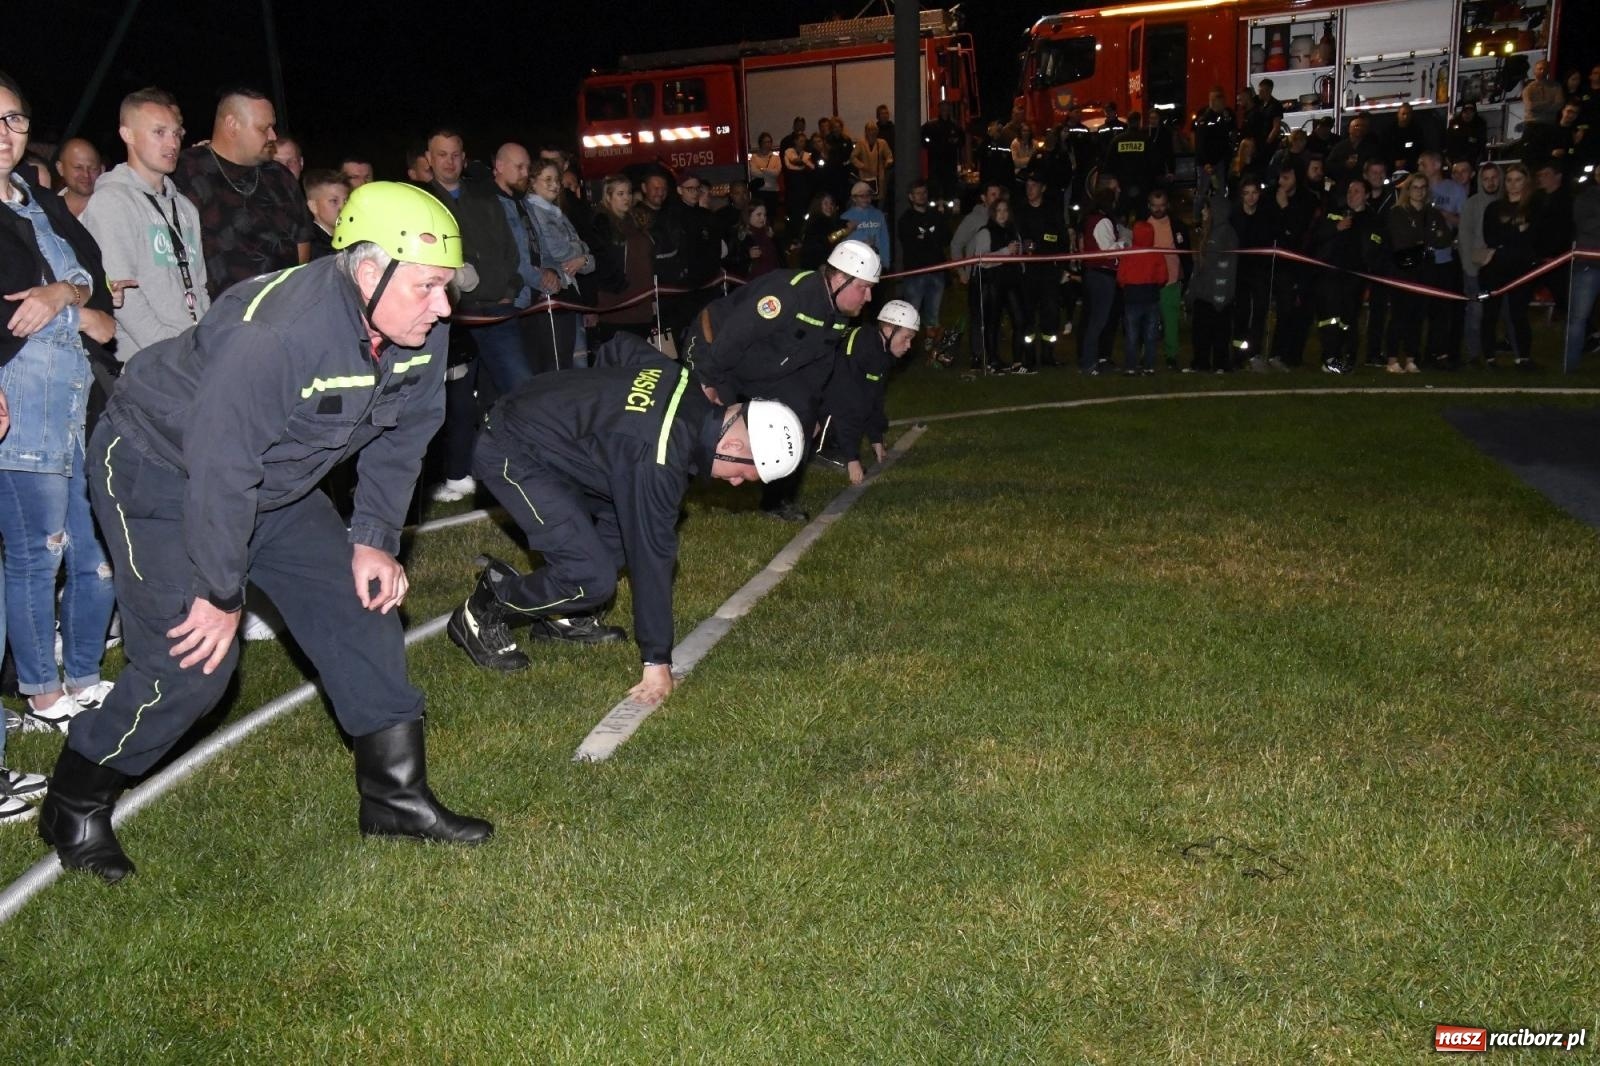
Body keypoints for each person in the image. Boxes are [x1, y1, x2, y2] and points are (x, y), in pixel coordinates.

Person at [41, 182, 494, 884]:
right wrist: (219, 593)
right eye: (430, 287)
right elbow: (223, 468)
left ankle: (395, 799)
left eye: (446, 290)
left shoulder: (417, 329)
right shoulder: (278, 332)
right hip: (158, 470)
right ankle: (74, 800)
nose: (443, 307)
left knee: (361, 610)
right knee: (192, 664)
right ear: (369, 271)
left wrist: (373, 534)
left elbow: (407, 435)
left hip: (275, 486)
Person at [449, 333, 803, 703]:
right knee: (592, 577)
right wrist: (657, 661)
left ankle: (564, 617)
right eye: (742, 474)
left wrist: (602, 413)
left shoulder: (682, 380)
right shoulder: (659, 461)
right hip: (511, 447)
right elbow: (652, 559)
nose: (732, 483)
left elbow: (618, 346)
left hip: (538, 419)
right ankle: (485, 607)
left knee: (621, 530)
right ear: (731, 445)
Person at [0, 72, 120, 740]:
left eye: (15, 120)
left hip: (75, 390)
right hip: (21, 394)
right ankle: (41, 694)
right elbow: (14, 316)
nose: (6, 136)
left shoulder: (37, 202)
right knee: (35, 551)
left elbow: (88, 276)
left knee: (93, 544)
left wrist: (62, 297)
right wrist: (74, 308)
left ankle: (81, 674)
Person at [682, 240, 879, 522]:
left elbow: (818, 367)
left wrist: (810, 415)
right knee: (705, 425)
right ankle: (671, 489)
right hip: (717, 347)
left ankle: (775, 501)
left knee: (801, 420)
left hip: (765, 365)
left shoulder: (838, 316)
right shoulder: (789, 294)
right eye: (864, 287)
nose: (869, 297)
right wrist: (707, 379)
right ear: (839, 279)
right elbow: (737, 334)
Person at [80, 86, 212, 361]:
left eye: (176, 133)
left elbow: (199, 286)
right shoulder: (111, 203)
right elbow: (124, 299)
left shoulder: (185, 208)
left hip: (194, 353)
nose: (173, 143)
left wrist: (208, 339)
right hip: (148, 362)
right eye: (159, 132)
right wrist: (173, 353)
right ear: (127, 134)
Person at [174, 87, 311, 299]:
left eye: (272, 127)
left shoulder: (280, 176)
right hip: (219, 315)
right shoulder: (186, 171)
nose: (273, 136)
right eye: (263, 128)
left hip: (282, 310)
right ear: (232, 125)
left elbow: (302, 242)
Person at [820, 300, 919, 484]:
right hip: (810, 386)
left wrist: (876, 437)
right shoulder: (862, 352)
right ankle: (824, 449)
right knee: (836, 408)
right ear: (889, 330)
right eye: (906, 338)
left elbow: (874, 397)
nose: (909, 345)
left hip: (830, 387)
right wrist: (852, 458)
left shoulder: (879, 351)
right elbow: (845, 404)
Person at [527, 158, 595, 372]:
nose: (554, 184)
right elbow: (557, 250)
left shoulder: (558, 213)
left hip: (571, 293)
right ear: (532, 182)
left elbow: (589, 261)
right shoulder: (534, 212)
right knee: (560, 365)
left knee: (578, 361)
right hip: (553, 295)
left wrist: (583, 258)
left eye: (556, 179)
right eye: (547, 179)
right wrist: (581, 252)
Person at [1312, 177, 1384, 374]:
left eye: (1357, 191)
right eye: (1350, 191)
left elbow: (1376, 248)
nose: (1352, 195)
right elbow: (1316, 236)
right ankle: (1329, 357)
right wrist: (1336, 228)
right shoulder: (1335, 212)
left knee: (1349, 319)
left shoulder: (1372, 219)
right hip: (1330, 273)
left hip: (1355, 277)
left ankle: (1349, 355)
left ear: (1367, 195)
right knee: (1330, 318)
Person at [1387, 172, 1453, 374]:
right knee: (1399, 315)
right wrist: (1428, 238)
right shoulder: (1397, 213)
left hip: (1425, 271)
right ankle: (1391, 359)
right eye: (1415, 187)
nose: (1419, 191)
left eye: (1423, 187)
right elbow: (1402, 241)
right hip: (1403, 271)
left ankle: (1411, 357)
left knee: (1417, 316)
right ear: (1408, 190)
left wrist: (1423, 239)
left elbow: (1445, 238)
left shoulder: (1433, 213)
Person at [1480, 164, 1541, 371]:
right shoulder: (1494, 209)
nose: (1513, 185)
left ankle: (1523, 357)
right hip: (1495, 269)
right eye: (1509, 180)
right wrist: (1517, 229)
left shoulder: (1533, 208)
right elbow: (1491, 238)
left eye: (1518, 180)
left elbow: (1533, 239)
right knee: (1490, 314)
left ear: (1526, 182)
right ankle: (1488, 357)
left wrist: (1512, 233)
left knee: (1519, 314)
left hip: (1522, 269)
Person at [588, 175, 656, 347]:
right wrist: (618, 286)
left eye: (628, 193)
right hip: (617, 304)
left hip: (642, 302)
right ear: (608, 197)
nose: (626, 198)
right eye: (620, 193)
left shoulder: (636, 221)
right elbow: (601, 261)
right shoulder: (601, 223)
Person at [1186, 184, 1239, 373]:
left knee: (1219, 333)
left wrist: (1221, 295)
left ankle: (1221, 364)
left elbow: (1218, 264)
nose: (1203, 211)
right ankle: (1200, 363)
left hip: (1217, 295)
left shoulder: (1225, 233)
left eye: (1206, 208)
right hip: (1204, 293)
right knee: (1201, 333)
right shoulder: (1207, 232)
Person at [974, 197, 1030, 373]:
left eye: (1005, 210)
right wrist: (1006, 251)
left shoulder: (1014, 231)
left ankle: (1018, 361)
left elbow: (1019, 256)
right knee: (993, 322)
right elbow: (981, 259)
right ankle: (992, 361)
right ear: (993, 213)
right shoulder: (985, 232)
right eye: (999, 210)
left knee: (1020, 320)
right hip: (993, 283)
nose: (1003, 214)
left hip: (1012, 282)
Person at [896, 180, 948, 358]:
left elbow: (943, 239)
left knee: (933, 312)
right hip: (915, 273)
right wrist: (927, 239)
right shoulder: (905, 220)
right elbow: (910, 243)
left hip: (937, 271)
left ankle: (932, 347)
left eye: (924, 192)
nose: (922, 196)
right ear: (911, 197)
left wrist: (925, 238)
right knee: (912, 311)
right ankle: (904, 345)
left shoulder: (936, 216)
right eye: (918, 193)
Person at [1078, 185, 1126, 374]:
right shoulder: (1102, 221)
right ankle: (1089, 362)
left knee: (1096, 319)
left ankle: (1090, 360)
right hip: (1102, 274)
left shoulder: (1091, 219)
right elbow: (1107, 249)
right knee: (1098, 320)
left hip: (1095, 273)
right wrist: (1124, 244)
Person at [1460, 162, 1503, 367]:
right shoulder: (1472, 204)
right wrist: (1470, 268)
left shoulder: (1506, 202)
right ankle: (1474, 353)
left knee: (1499, 313)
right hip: (1475, 268)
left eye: (1494, 177)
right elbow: (1465, 238)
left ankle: (1498, 352)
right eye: (1486, 178)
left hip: (1499, 268)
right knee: (1476, 312)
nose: (1490, 182)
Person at [1143, 188, 1191, 370]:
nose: (1158, 209)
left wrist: (1185, 277)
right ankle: (1146, 356)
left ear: (1167, 205)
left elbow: (1186, 254)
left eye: (1161, 205)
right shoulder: (1143, 226)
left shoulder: (1177, 226)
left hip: (1171, 282)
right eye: (1155, 206)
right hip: (1148, 283)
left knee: (1171, 323)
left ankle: (1171, 357)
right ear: (1149, 206)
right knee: (1148, 322)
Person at [1231, 174, 1274, 371]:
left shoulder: (1265, 215)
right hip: (1239, 271)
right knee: (1240, 311)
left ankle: (1255, 352)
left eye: (1254, 193)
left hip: (1259, 271)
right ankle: (1238, 353)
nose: (1251, 197)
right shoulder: (1234, 216)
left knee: (1259, 311)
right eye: (1247, 193)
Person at [1117, 220, 1165, 375]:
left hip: (1132, 298)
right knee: (1151, 335)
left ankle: (1131, 366)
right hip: (1151, 297)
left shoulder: (1129, 254)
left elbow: (1121, 277)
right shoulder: (1156, 254)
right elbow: (1163, 276)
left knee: (1132, 335)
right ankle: (1149, 366)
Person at [1564, 177, 1600, 373]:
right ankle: (1570, 367)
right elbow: (1585, 226)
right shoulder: (1585, 197)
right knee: (1578, 318)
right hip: (1589, 265)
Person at [723, 200, 779, 280]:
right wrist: (747, 255)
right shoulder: (740, 235)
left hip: (772, 280)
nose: (763, 218)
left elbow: (778, 259)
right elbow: (728, 261)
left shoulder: (768, 233)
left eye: (765, 215)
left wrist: (773, 240)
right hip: (751, 283)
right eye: (759, 215)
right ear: (748, 216)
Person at [302, 169, 349, 260]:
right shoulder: (314, 249)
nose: (343, 208)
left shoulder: (346, 238)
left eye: (346, 201)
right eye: (334, 201)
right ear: (313, 206)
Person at [841, 180, 889, 267]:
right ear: (854, 198)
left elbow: (884, 238)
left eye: (868, 195)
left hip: (876, 261)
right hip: (854, 262)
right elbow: (843, 242)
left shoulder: (878, 215)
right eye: (862, 196)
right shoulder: (845, 217)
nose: (866, 198)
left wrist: (885, 261)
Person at [53, 138, 102, 218]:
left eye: (93, 168)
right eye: (78, 167)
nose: (86, 174)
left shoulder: (111, 209)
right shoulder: (47, 209)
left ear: (102, 170)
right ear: (60, 169)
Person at [851, 123, 893, 202]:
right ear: (866, 131)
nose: (872, 132)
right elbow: (853, 157)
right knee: (865, 196)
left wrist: (888, 162)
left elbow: (889, 156)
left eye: (874, 130)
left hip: (879, 174)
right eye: (869, 130)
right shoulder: (861, 143)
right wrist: (862, 166)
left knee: (879, 198)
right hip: (865, 174)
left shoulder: (882, 143)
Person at [748, 132, 782, 214]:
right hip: (759, 191)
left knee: (771, 215)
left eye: (770, 142)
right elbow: (753, 172)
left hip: (773, 191)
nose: (768, 144)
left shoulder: (776, 158)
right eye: (765, 142)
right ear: (761, 143)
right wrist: (769, 172)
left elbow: (776, 173)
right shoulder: (754, 157)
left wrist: (763, 169)